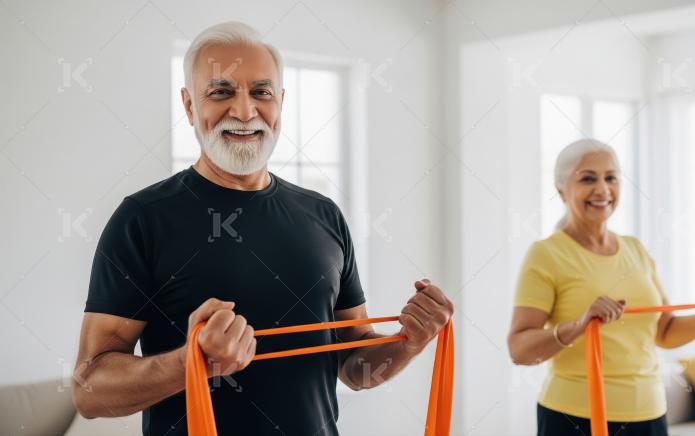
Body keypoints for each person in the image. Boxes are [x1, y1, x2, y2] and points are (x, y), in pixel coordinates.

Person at [71, 21, 454, 436]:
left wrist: (408, 343)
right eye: (221, 92)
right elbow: (89, 392)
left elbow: (356, 368)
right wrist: (190, 362)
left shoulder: (324, 215)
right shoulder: (141, 219)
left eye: (261, 92)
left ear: (280, 102)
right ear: (188, 106)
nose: (244, 111)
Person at [507, 139, 695, 436]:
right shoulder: (546, 254)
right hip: (574, 417)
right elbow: (519, 350)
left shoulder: (635, 249)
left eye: (611, 177)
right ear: (561, 190)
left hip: (650, 414)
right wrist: (580, 325)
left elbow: (665, 333)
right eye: (587, 178)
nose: (602, 189)